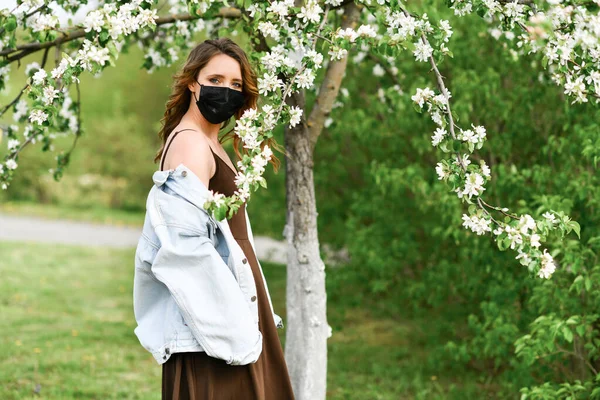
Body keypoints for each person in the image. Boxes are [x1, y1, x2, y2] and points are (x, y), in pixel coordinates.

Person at [132, 38, 295, 400]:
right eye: (216, 80)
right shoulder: (191, 143)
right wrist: (231, 325)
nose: (227, 91)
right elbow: (185, 248)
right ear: (193, 82)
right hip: (216, 313)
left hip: (235, 297)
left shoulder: (210, 141)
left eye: (236, 85)